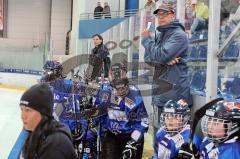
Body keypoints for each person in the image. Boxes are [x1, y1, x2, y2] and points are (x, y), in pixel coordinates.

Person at [141, 4, 192, 131]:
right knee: (159, 137)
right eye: (158, 15)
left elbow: (160, 56)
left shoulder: (178, 35)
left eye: (164, 14)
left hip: (175, 96)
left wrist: (147, 41)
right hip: (161, 94)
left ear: (172, 15)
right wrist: (161, 59)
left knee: (174, 137)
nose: (160, 17)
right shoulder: (161, 35)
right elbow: (148, 59)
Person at [95, 62, 149, 159]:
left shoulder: (135, 95)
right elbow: (100, 114)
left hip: (131, 135)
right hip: (112, 134)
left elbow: (143, 122)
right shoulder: (105, 91)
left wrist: (133, 141)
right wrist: (102, 130)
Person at [20, 83, 77, 159]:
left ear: (43, 112)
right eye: (22, 109)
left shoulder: (55, 145)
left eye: (28, 110)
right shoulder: (38, 133)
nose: (22, 116)